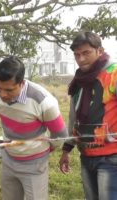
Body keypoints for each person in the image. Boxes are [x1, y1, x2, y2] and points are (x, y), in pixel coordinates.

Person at [0, 56, 67, 200]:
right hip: (8, 159)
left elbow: (60, 134)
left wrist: (43, 149)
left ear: (21, 83)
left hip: (34, 165)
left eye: (9, 90)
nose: (2, 94)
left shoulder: (43, 101)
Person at [59, 31, 117, 200]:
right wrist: (67, 149)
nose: (81, 59)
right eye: (77, 55)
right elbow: (73, 117)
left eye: (86, 53)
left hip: (111, 157)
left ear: (100, 51)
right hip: (86, 155)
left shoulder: (113, 74)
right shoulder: (78, 80)